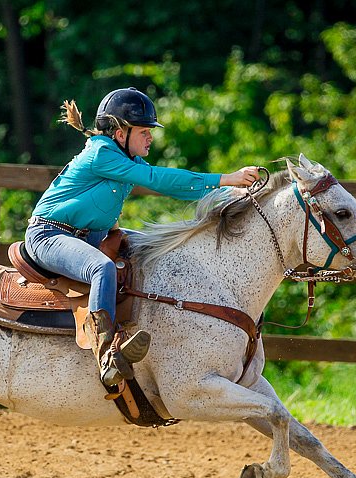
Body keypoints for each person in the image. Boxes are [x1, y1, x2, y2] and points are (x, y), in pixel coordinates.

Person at [25, 87, 260, 387]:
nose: (150, 137)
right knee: (102, 268)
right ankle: (106, 354)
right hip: (49, 236)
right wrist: (226, 178)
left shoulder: (125, 160)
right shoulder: (101, 154)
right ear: (120, 132)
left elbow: (171, 184)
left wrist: (231, 191)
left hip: (84, 238)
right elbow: (157, 179)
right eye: (144, 130)